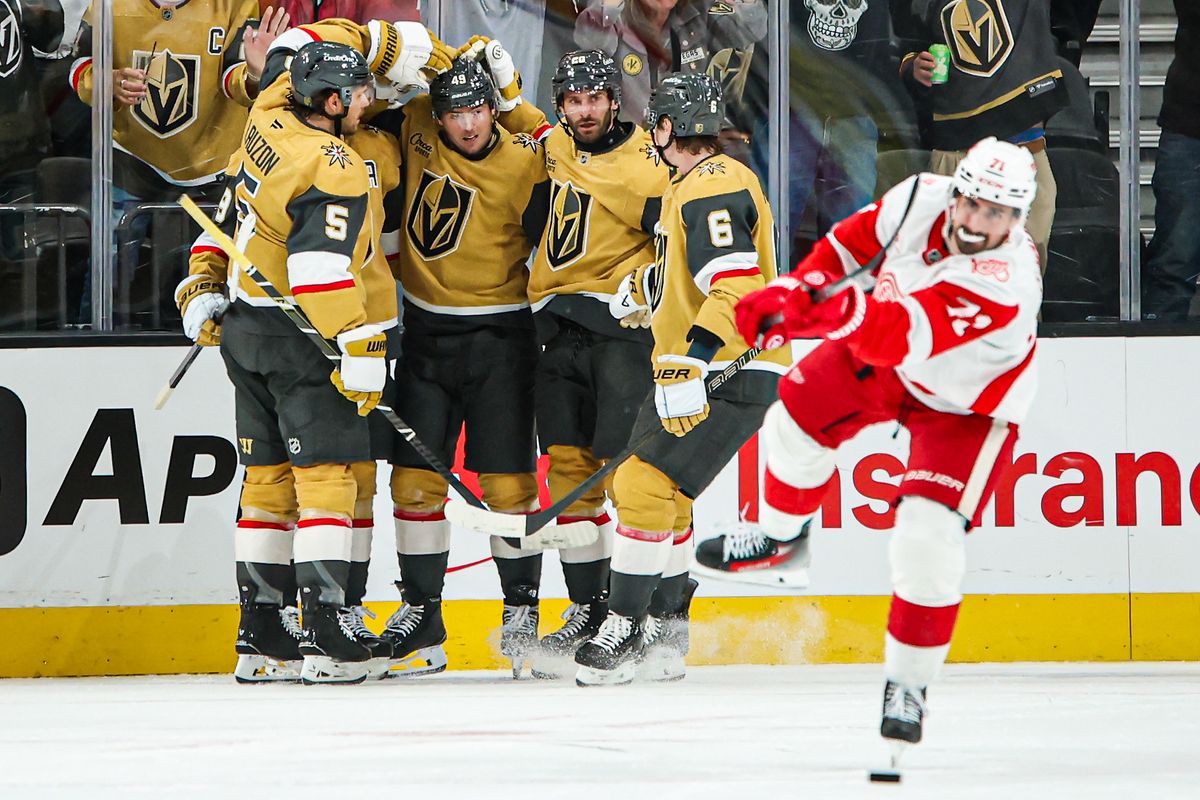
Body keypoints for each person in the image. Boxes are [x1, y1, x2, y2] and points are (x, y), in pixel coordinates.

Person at [708, 137, 1042, 755]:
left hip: (968, 406)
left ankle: (908, 685)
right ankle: (782, 542)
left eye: (997, 215)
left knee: (925, 537)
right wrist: (799, 289)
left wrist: (813, 313)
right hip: (889, 355)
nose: (978, 223)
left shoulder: (1007, 281)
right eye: (973, 205)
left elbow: (894, 336)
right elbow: (846, 248)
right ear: (957, 191)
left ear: (1018, 219)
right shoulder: (920, 193)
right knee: (794, 419)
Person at [175, 40, 396, 685]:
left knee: (267, 480)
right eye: (357, 90)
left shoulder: (267, 118)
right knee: (328, 476)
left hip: (245, 331)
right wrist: (356, 342)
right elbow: (319, 271)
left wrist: (201, 281)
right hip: (305, 339)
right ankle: (329, 625)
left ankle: (261, 631)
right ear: (330, 102)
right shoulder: (335, 164)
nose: (368, 99)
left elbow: (226, 216)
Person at [572, 72, 791, 686]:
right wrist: (650, 291)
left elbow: (737, 283)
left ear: (668, 129)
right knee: (658, 495)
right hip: (722, 364)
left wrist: (692, 357)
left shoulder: (713, 180)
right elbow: (702, 271)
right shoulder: (696, 185)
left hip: (726, 365)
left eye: (654, 127)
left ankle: (622, 628)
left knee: (641, 483)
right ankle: (664, 633)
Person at [493, 46, 670, 677]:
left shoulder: (647, 164)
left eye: (595, 98)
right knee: (569, 469)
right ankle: (591, 609)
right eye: (574, 100)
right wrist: (503, 82)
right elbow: (512, 118)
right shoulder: (556, 145)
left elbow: (676, 237)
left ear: (614, 101)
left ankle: (650, 616)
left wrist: (652, 281)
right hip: (557, 331)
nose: (585, 110)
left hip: (621, 336)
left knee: (631, 474)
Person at [891, 0, 1066, 269]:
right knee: (951, 267)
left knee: (1023, 265)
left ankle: (1016, 311)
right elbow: (902, 44)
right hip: (956, 144)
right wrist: (913, 66)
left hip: (1021, 140)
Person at [574, 0, 766, 126]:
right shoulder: (612, 16)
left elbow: (750, 31)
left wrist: (746, 2)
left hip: (687, 144)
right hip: (630, 150)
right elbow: (587, 43)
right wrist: (609, 7)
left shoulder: (698, 10)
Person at [1142, 1, 1200, 321]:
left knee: (1173, 263)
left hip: (1186, 122)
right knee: (1173, 263)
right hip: (1189, 121)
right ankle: (1152, 365)